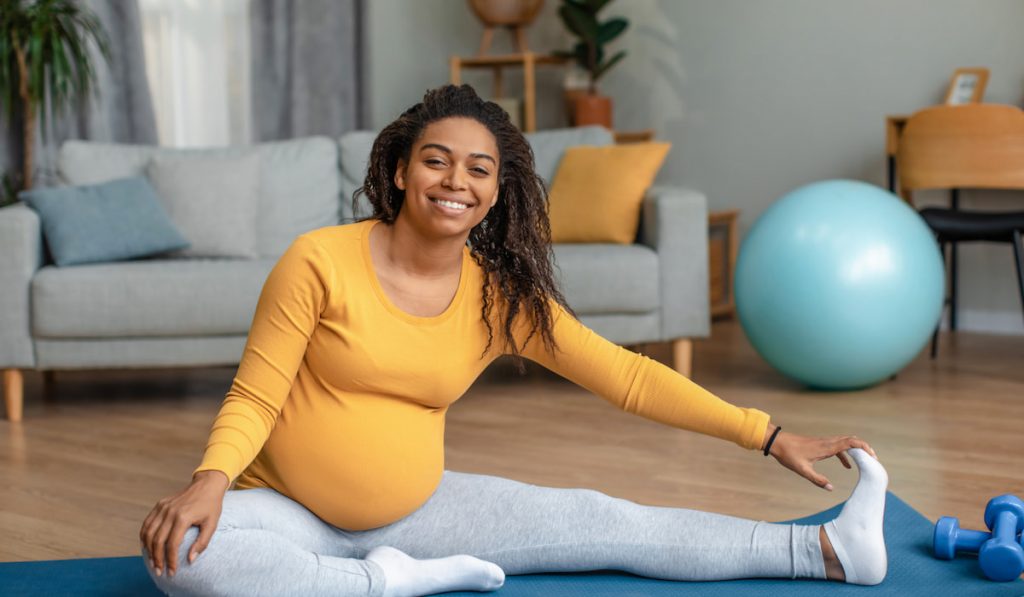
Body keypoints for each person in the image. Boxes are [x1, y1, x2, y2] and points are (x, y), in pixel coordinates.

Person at [139, 84, 888, 597]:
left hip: (423, 510)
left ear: (496, 192)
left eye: (478, 168)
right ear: (401, 170)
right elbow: (255, 391)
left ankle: (822, 552)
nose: (454, 180)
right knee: (181, 561)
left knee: (606, 521)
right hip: (284, 506)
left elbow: (628, 377)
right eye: (435, 159)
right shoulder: (318, 260)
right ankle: (388, 581)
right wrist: (210, 477)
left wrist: (769, 433)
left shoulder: (500, 299)